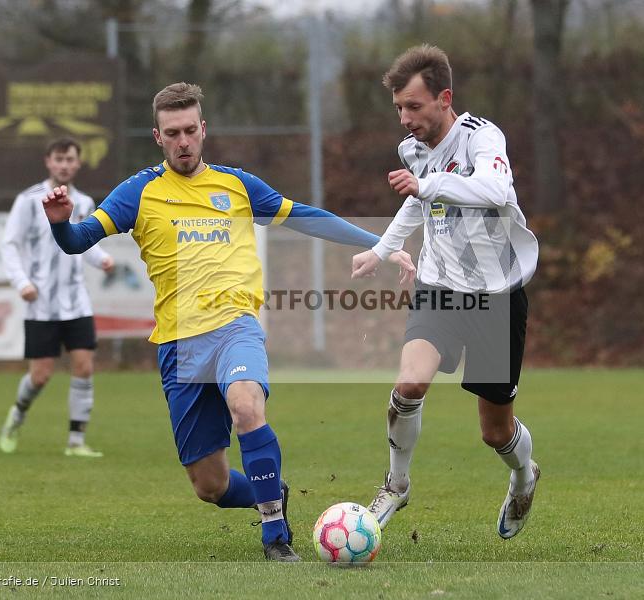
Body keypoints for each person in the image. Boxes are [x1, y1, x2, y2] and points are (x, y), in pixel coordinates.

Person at [41, 82, 414, 562]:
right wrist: (59, 222)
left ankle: (275, 535)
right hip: (179, 343)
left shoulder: (237, 185)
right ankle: (270, 488)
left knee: (245, 406)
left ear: (203, 130)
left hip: (235, 325)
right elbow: (77, 241)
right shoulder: (138, 192)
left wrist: (383, 244)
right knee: (210, 485)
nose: (183, 142)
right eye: (172, 133)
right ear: (157, 135)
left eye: (190, 130)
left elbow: (305, 216)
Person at [352, 45, 541, 539]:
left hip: (496, 295)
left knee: (495, 432)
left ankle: (524, 475)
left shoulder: (482, 137)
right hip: (439, 285)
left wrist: (428, 185)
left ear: (444, 99)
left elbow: (494, 192)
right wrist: (381, 249)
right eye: (398, 108)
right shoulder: (411, 150)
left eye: (413, 107)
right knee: (409, 385)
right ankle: (396, 484)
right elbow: (417, 203)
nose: (405, 119)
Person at [0, 137, 115, 458]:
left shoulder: (85, 202)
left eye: (70, 160)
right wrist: (22, 282)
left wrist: (102, 258)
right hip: (40, 303)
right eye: (59, 159)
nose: (64, 165)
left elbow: (84, 244)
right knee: (41, 375)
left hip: (76, 300)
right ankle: (18, 414)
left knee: (83, 366)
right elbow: (10, 244)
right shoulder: (28, 200)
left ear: (78, 164)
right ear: (48, 162)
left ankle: (76, 442)